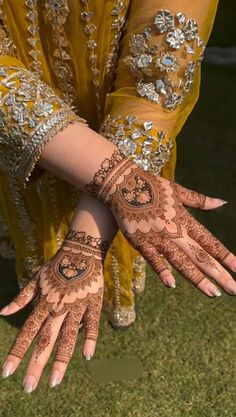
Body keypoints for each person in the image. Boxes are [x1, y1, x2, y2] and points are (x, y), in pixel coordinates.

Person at [0, 0, 235, 393]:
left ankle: (115, 290)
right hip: (24, 107)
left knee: (135, 224)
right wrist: (119, 183)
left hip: (118, 107)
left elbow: (161, 64)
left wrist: (90, 231)